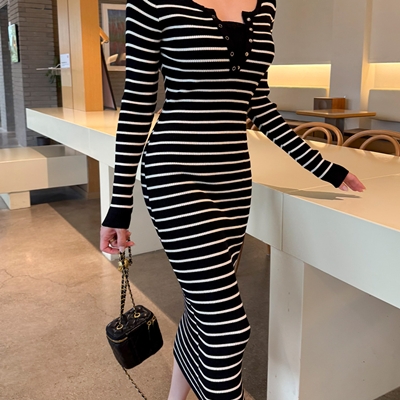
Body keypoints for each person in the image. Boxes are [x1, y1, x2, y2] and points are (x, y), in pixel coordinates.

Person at [100, 0, 366, 398]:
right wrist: (119, 206)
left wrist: (324, 167)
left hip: (233, 182)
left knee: (204, 307)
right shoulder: (153, 2)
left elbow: (260, 105)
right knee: (227, 326)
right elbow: (138, 105)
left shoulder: (265, 5)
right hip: (175, 177)